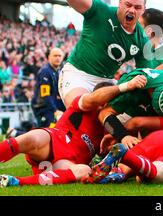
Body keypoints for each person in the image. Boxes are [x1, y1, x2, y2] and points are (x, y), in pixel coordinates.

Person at [0, 77, 146, 187]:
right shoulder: (83, 105)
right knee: (33, 138)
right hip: (52, 143)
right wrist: (125, 86)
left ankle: (15, 182)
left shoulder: (109, 125)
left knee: (84, 170)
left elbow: (107, 154)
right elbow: (94, 99)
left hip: (66, 164)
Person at [60, 0, 153, 108]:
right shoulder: (100, 11)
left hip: (107, 83)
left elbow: (146, 75)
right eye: (128, 5)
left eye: (137, 8)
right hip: (78, 75)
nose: (131, 10)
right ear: (120, 3)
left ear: (143, 11)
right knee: (81, 110)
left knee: (116, 119)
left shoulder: (142, 40)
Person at [82, 114, 163, 184]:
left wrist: (120, 134)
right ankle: (125, 155)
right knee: (155, 174)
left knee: (131, 168)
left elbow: (138, 122)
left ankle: (117, 172)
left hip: (161, 138)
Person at [97, 68, 163, 149]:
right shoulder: (132, 91)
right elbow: (103, 113)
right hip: (133, 103)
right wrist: (122, 135)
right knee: (114, 127)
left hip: (151, 108)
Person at [30, 47, 66, 128]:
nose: (57, 58)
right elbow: (45, 94)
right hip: (43, 108)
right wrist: (55, 110)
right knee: (47, 132)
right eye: (55, 56)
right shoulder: (45, 72)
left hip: (51, 107)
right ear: (49, 57)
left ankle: (14, 133)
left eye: (59, 56)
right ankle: (16, 135)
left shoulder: (58, 71)